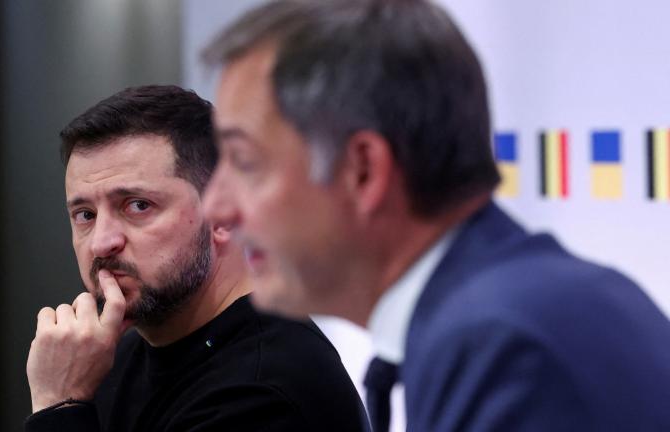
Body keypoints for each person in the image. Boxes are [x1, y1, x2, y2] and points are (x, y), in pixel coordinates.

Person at [200, 0, 670, 430]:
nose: (216, 206)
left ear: (363, 171)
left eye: (245, 163)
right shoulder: (517, 308)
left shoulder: (501, 348)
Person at [24, 85, 369, 432]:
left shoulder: (264, 393)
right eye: (85, 214)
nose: (102, 243)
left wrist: (60, 404)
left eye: (137, 206)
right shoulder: (116, 357)